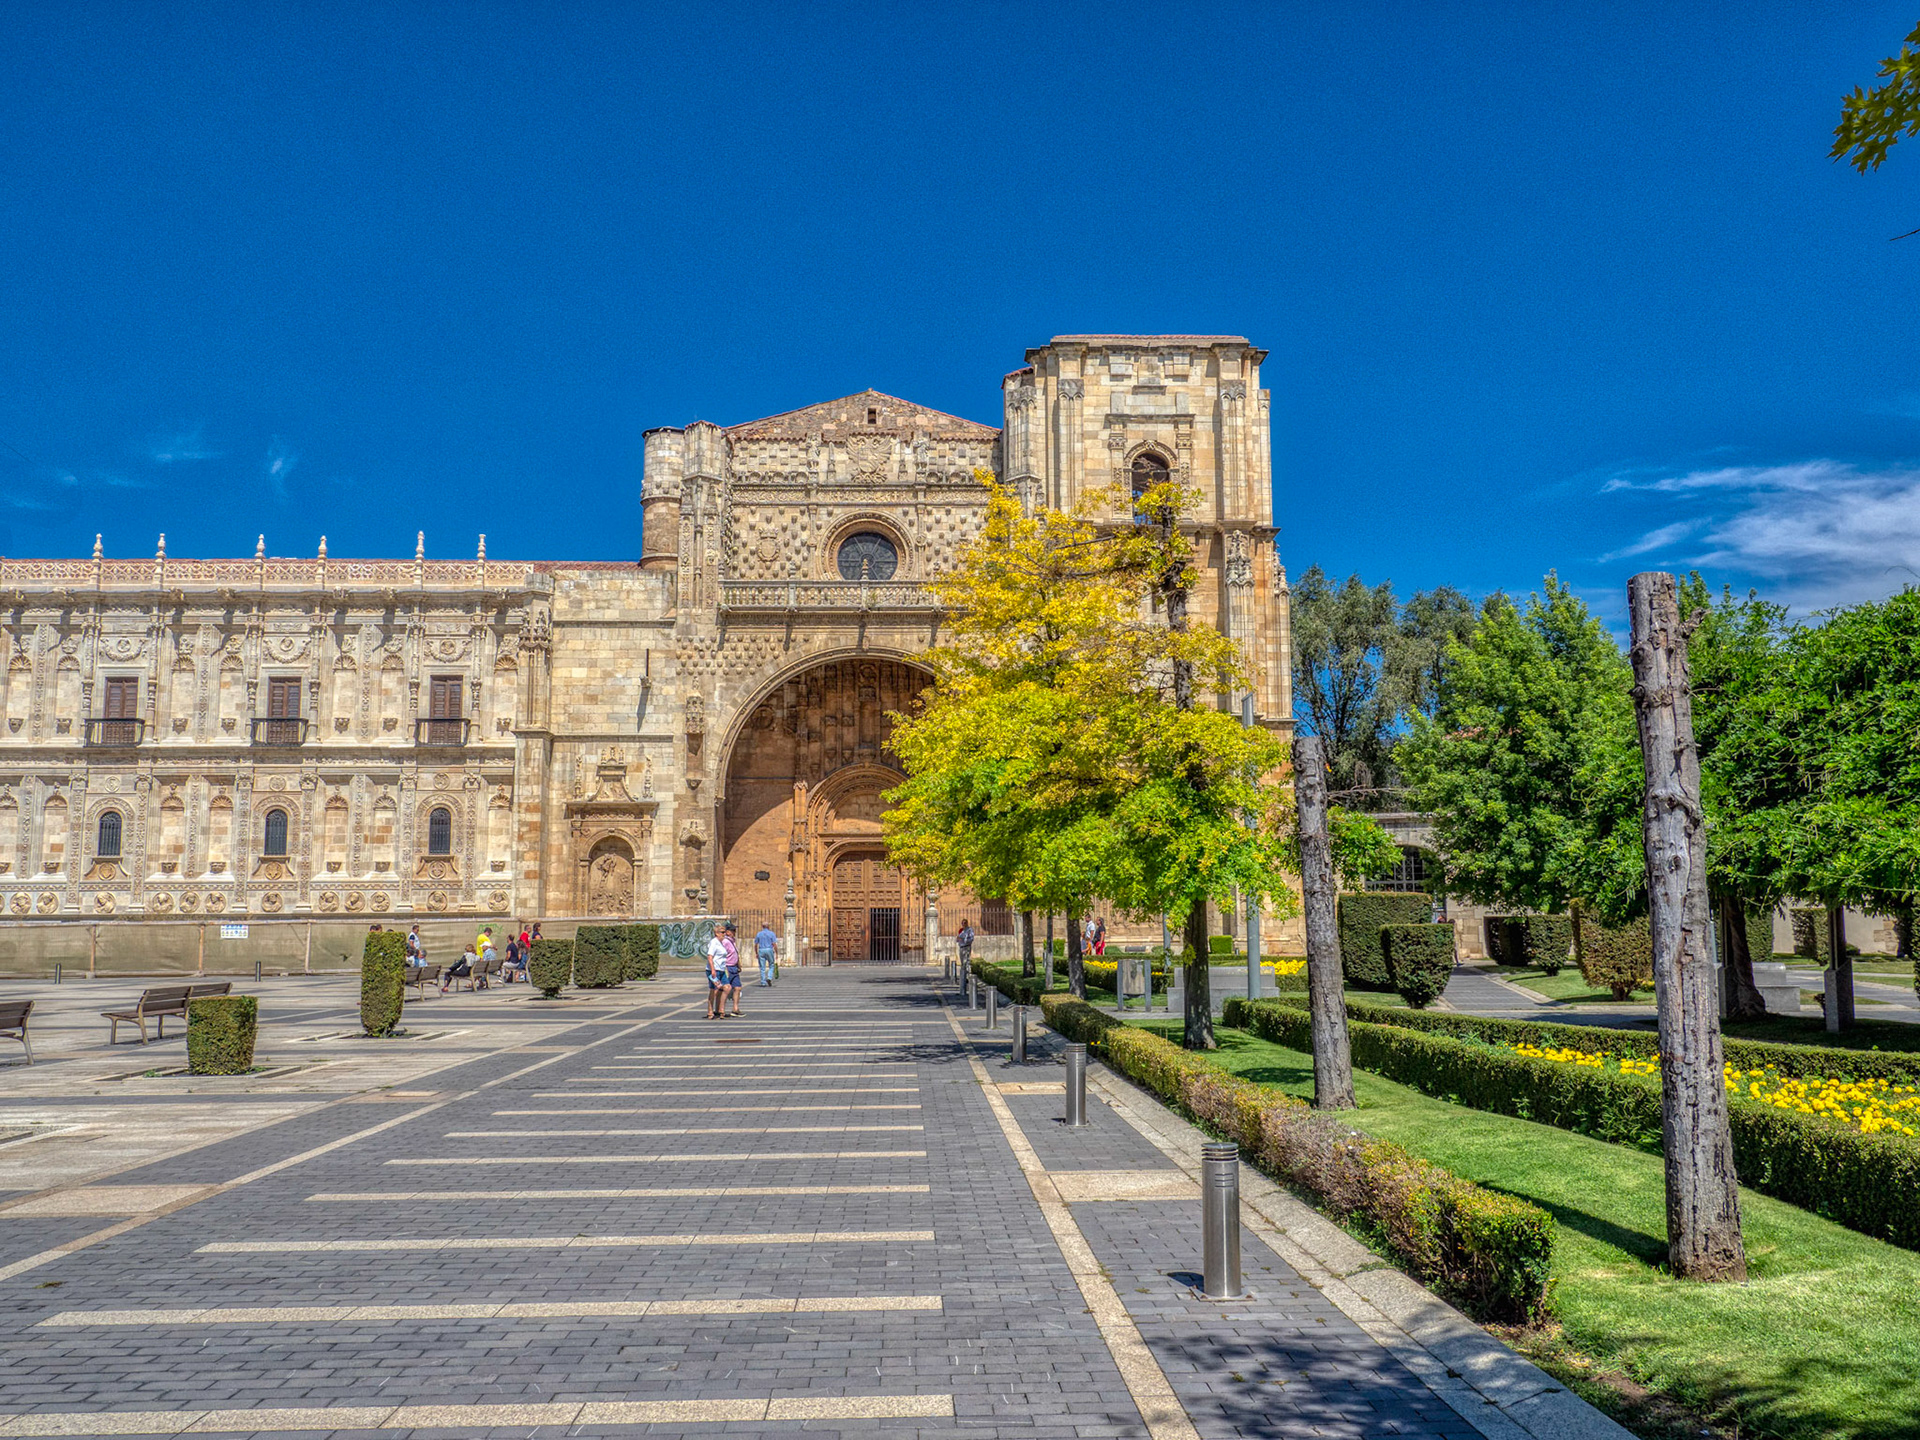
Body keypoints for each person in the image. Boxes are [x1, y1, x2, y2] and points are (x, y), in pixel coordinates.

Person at [706, 927, 731, 1019]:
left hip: (721, 969)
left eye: (724, 932)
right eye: (722, 932)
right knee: (714, 990)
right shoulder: (714, 942)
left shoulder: (721, 943)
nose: (724, 934)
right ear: (716, 933)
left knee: (727, 987)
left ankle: (721, 1008)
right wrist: (712, 970)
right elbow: (710, 957)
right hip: (714, 970)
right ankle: (710, 1011)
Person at [722, 923, 744, 1015]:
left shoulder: (732, 941)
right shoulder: (725, 942)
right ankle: (721, 1009)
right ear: (727, 932)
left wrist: (738, 965)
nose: (735, 932)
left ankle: (735, 1008)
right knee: (726, 989)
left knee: (738, 987)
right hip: (728, 967)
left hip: (734, 967)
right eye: (733, 930)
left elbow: (735, 953)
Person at [754, 921, 778, 986]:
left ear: (762, 926)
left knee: (762, 967)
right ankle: (769, 977)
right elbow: (774, 944)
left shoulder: (759, 934)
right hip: (769, 949)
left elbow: (756, 944)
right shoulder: (772, 934)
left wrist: (756, 953)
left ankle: (763, 982)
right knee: (771, 965)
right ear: (768, 926)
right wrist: (776, 953)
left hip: (761, 950)